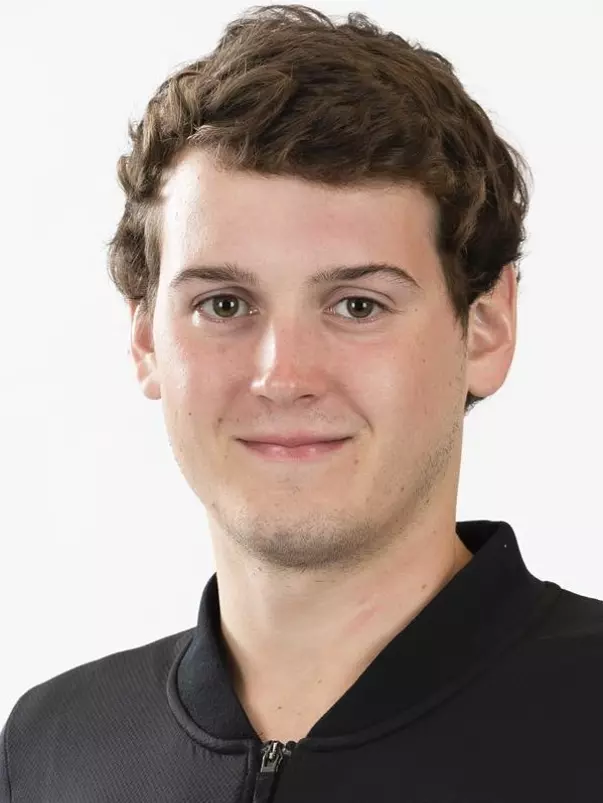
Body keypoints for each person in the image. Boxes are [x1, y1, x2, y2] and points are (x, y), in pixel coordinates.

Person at [2, 5, 602, 801]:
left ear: (485, 327)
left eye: (357, 304)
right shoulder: (54, 744)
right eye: (222, 303)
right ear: (146, 337)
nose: (283, 376)